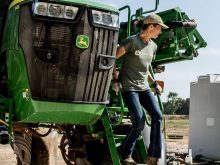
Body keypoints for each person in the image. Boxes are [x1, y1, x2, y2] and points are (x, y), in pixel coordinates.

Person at [112, 13, 168, 165]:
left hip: (143, 88)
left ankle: (153, 156)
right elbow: (112, 59)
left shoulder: (153, 46)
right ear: (151, 26)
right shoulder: (131, 41)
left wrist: (154, 82)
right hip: (129, 88)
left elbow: (146, 67)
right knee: (139, 121)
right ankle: (125, 154)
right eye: (159, 28)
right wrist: (115, 79)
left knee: (157, 115)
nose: (160, 32)